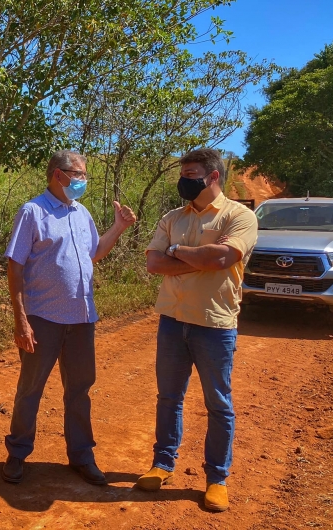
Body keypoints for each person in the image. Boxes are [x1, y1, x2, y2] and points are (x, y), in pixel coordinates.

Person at [2, 149, 136, 485]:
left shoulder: (81, 213)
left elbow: (94, 254)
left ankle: (81, 456)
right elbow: (14, 266)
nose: (82, 180)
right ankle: (17, 453)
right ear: (58, 175)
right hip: (43, 317)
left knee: (79, 389)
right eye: (78, 174)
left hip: (81, 318)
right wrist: (21, 319)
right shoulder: (33, 212)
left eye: (84, 175)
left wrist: (117, 228)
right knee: (31, 388)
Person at [135, 148, 257, 512]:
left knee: (218, 404)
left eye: (190, 174)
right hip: (172, 321)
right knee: (168, 398)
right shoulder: (173, 216)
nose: (184, 180)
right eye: (183, 174)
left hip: (215, 324)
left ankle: (217, 478)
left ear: (213, 176)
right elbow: (155, 264)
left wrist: (180, 252)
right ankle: (162, 464)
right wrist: (196, 256)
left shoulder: (241, 217)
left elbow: (221, 258)